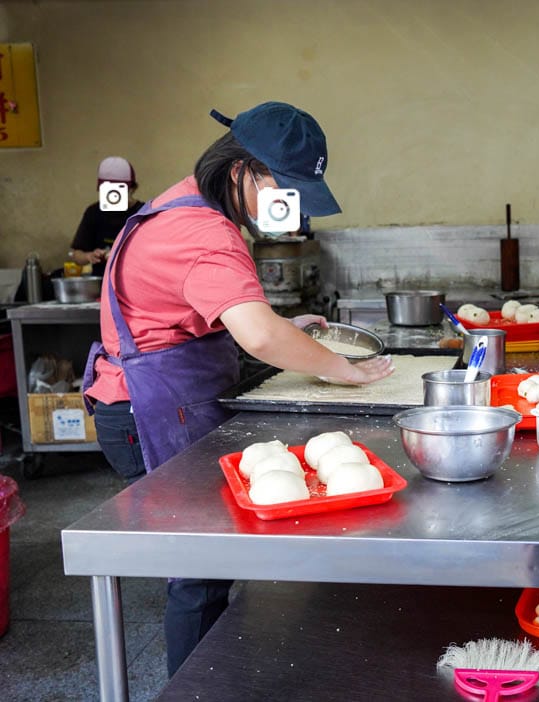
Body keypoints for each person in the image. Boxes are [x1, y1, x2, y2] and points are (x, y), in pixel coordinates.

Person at [81, 101, 394, 676]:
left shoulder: (181, 203)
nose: (291, 207)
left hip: (153, 400)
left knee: (206, 560)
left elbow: (225, 314)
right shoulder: (205, 231)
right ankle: (192, 687)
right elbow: (255, 335)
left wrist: (280, 328)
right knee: (199, 570)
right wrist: (338, 367)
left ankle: (213, 671)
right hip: (149, 412)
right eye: (285, 187)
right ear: (239, 171)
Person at [69, 156, 144, 276]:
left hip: (135, 280)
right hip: (102, 282)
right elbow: (77, 255)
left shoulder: (142, 213)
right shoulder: (94, 212)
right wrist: (90, 256)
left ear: (132, 188)